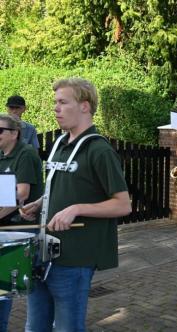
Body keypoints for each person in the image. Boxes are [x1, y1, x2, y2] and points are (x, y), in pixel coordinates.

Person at [20, 78, 132, 331]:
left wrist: (77, 208)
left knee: (67, 327)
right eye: (55, 102)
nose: (55, 108)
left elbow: (123, 205)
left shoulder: (99, 150)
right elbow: (63, 186)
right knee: (34, 325)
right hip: (43, 252)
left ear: (84, 106)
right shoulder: (61, 143)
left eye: (62, 102)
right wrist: (40, 203)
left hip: (75, 259)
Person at [0, 114, 43, 332]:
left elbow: (21, 194)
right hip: (5, 226)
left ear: (14, 133)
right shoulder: (1, 154)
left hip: (21, 227)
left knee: (10, 282)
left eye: (0, 130)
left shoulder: (24, 153)